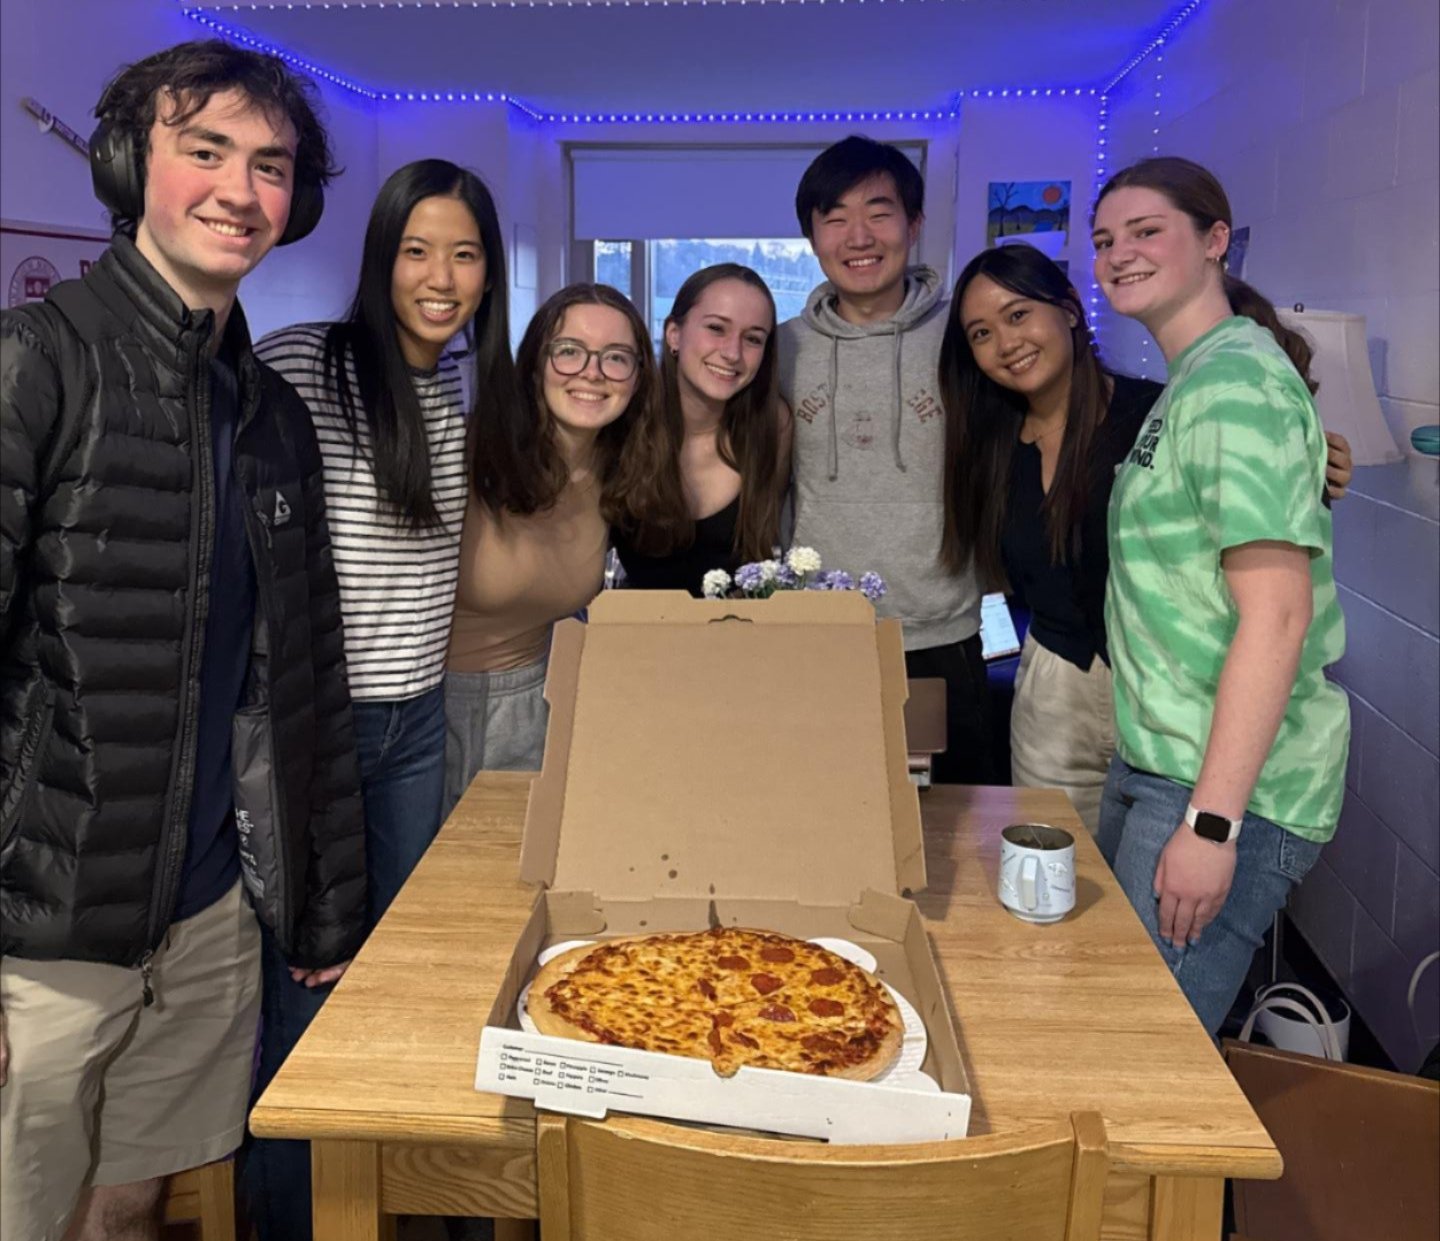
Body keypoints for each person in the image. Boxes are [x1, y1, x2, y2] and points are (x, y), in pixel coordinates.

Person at [0, 40, 364, 1241]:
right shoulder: (33, 363)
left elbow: (304, 675)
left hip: (209, 917)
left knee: (132, 1205)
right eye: (205, 150)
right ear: (126, 164)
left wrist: (321, 904)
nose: (239, 190)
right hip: (43, 928)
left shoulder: (272, 414)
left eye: (271, 166)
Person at [245, 158, 516, 1241]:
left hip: (416, 722)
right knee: (310, 985)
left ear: (490, 272)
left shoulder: (463, 390)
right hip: (318, 725)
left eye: (464, 253)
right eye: (417, 250)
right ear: (380, 257)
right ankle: (295, 1218)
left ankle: (395, 1205)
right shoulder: (304, 364)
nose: (440, 277)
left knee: (400, 974)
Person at [938, 243, 1353, 833]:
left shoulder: (1157, 413)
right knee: (1053, 864)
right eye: (981, 333)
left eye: (1018, 314)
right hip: (1055, 687)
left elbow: (1253, 482)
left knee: (1154, 874)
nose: (1006, 343)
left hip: (1169, 685)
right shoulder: (991, 449)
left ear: (1070, 309)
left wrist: (1320, 460)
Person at [1089, 156, 1351, 1035]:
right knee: (1123, 1025)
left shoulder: (1239, 384)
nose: (1119, 254)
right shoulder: (1198, 380)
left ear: (1214, 241)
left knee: (1144, 1052)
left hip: (1218, 786)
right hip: (1163, 758)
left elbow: (1278, 615)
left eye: (1145, 231)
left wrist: (1210, 826)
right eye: (1105, 241)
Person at [778, 135, 993, 783]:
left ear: (914, 223)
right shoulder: (782, 349)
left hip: (940, 636)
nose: (859, 236)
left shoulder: (965, 338)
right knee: (820, 811)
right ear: (812, 236)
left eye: (879, 212)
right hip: (817, 635)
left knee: (947, 823)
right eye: (835, 218)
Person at [443, 283, 658, 810]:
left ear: (638, 377)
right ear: (536, 362)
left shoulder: (620, 474)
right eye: (569, 351)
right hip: (430, 715)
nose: (592, 372)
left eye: (616, 357)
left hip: (539, 706)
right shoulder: (469, 455)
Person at [610, 263, 792, 594]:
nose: (733, 353)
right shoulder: (623, 423)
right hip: (636, 623)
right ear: (674, 334)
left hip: (740, 624)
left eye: (753, 339)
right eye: (716, 328)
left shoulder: (772, 426)